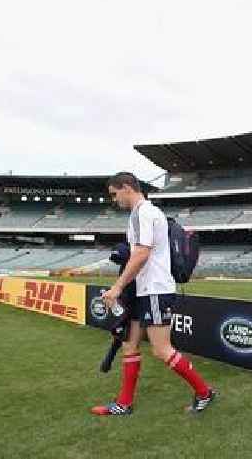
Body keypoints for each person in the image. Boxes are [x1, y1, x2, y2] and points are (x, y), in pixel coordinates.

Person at [91, 172, 215, 416]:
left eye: (115, 194)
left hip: (155, 291)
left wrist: (117, 287)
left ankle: (204, 392)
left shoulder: (142, 212)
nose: (114, 200)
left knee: (161, 349)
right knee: (129, 345)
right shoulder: (145, 213)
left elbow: (141, 254)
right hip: (144, 291)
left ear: (127, 187)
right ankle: (124, 404)